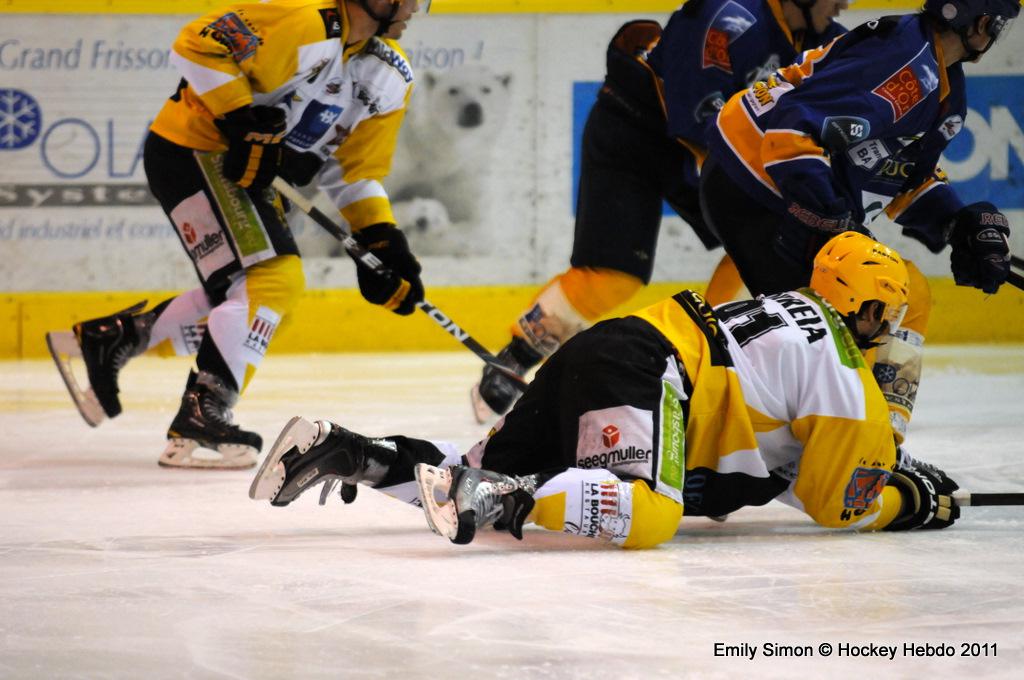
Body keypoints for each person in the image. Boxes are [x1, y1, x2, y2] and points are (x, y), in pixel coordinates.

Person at [251, 233, 961, 549]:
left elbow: (783, 457)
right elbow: (839, 504)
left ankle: (349, 451)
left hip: (611, 346)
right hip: (651, 372)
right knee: (650, 514)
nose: (888, 334)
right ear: (870, 308)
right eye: (888, 319)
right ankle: (499, 495)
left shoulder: (784, 309)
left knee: (465, 465)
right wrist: (910, 501)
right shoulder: (845, 374)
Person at [45, 0, 427, 469]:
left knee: (262, 307)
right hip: (197, 148)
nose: (416, 7)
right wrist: (239, 117)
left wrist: (381, 237)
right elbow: (197, 44)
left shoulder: (391, 75)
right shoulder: (305, 19)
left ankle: (117, 337)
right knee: (273, 281)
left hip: (253, 176)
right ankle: (203, 410)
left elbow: (354, 172)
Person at [470, 0, 851, 423]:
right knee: (614, 275)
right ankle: (519, 352)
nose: (845, 4)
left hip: (710, 149)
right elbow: (698, 116)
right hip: (634, 132)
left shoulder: (827, 42)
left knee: (763, 241)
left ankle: (717, 361)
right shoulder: (727, 18)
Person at [699, 0, 1018, 442]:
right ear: (982, 23)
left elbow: (900, 176)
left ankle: (874, 440)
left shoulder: (939, 79)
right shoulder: (903, 65)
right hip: (757, 188)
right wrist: (832, 218)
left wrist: (958, 224)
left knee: (903, 294)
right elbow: (791, 132)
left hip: (770, 183)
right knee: (867, 302)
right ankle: (845, 443)